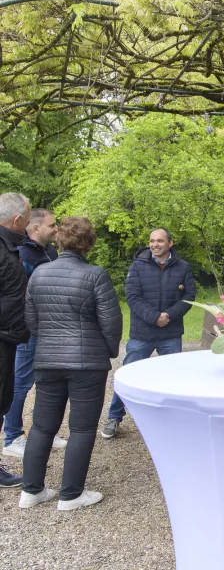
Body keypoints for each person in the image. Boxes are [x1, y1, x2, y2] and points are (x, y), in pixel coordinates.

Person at [19, 216, 122, 510]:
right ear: (89, 243)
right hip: (87, 364)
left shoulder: (39, 274)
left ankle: (31, 491)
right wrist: (108, 351)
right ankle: (71, 494)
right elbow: (111, 323)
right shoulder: (95, 275)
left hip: (48, 360)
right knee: (81, 429)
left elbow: (32, 320)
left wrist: (50, 340)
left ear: (60, 239)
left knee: (41, 427)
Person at [102, 228, 196, 439]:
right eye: (152, 241)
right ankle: (114, 418)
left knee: (175, 378)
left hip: (171, 333)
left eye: (160, 241)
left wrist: (168, 316)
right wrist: (154, 317)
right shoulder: (137, 266)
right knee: (128, 376)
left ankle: (175, 420)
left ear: (170, 243)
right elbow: (132, 297)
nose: (155, 245)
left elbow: (189, 296)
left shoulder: (183, 267)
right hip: (141, 334)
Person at [3, 209, 66, 458]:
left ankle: (44, 431)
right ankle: (13, 436)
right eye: (52, 225)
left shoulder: (50, 251)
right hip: (29, 330)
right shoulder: (22, 253)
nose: (56, 229)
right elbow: (20, 295)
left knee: (46, 382)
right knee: (21, 382)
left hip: (48, 328)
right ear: (36, 228)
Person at [0, 193, 31, 488]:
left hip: (9, 338)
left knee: (4, 399)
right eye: (28, 218)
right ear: (17, 219)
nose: (30, 224)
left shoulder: (12, 246)